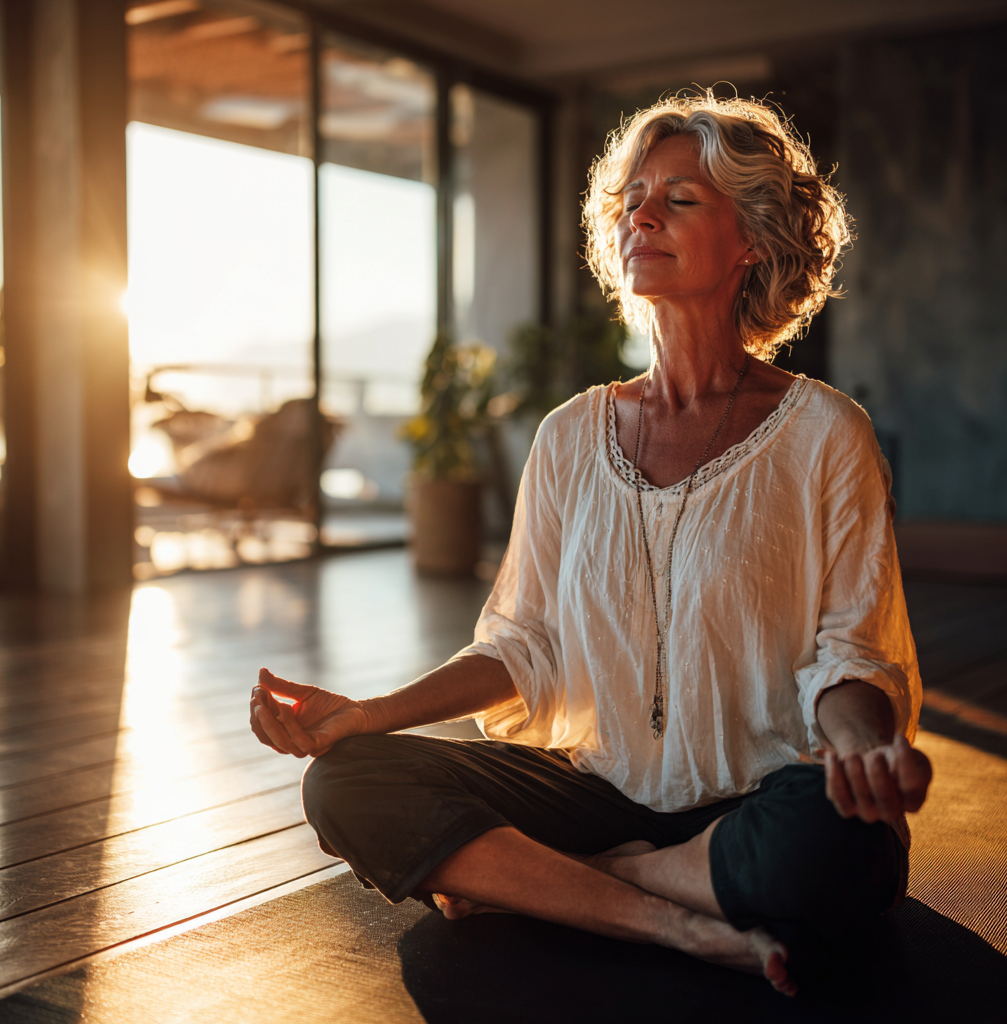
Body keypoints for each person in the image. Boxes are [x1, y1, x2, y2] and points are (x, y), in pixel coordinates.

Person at [249, 93, 932, 996]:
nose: (641, 215)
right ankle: (677, 923)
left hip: (759, 794)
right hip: (599, 793)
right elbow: (523, 644)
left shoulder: (824, 434)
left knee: (840, 838)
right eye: (633, 197)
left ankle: (575, 886)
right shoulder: (571, 435)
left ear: (754, 242)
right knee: (346, 783)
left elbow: (852, 649)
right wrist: (367, 714)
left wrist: (857, 750)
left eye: (680, 199)